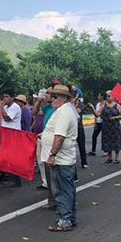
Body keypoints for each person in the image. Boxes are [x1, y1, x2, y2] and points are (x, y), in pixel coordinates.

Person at [41, 85, 78, 231]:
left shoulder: (64, 113)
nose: (52, 99)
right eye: (52, 96)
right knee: (67, 189)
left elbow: (60, 137)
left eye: (55, 97)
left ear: (64, 98)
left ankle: (64, 220)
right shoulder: (64, 111)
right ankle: (70, 218)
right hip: (64, 158)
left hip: (61, 159)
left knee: (62, 191)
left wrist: (52, 155)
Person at [90, 91, 121, 163]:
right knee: (107, 140)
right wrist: (92, 108)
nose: (108, 97)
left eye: (109, 96)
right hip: (106, 126)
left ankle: (117, 157)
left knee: (116, 140)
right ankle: (109, 157)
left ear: (113, 97)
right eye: (107, 96)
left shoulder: (117, 106)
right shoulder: (103, 106)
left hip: (115, 126)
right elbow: (97, 114)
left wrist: (115, 117)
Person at [0, 89, 23, 187]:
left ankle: (16, 180)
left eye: (7, 97)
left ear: (12, 98)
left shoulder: (15, 107)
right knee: (8, 158)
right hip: (7, 134)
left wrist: (0, 106)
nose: (4, 99)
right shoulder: (6, 107)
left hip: (13, 135)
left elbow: (7, 118)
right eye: (4, 97)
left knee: (13, 158)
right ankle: (11, 178)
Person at [73, 93, 88, 168]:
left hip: (79, 127)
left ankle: (84, 162)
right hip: (71, 128)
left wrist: (74, 103)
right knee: (71, 145)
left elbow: (76, 112)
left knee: (81, 145)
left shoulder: (81, 104)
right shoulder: (69, 104)